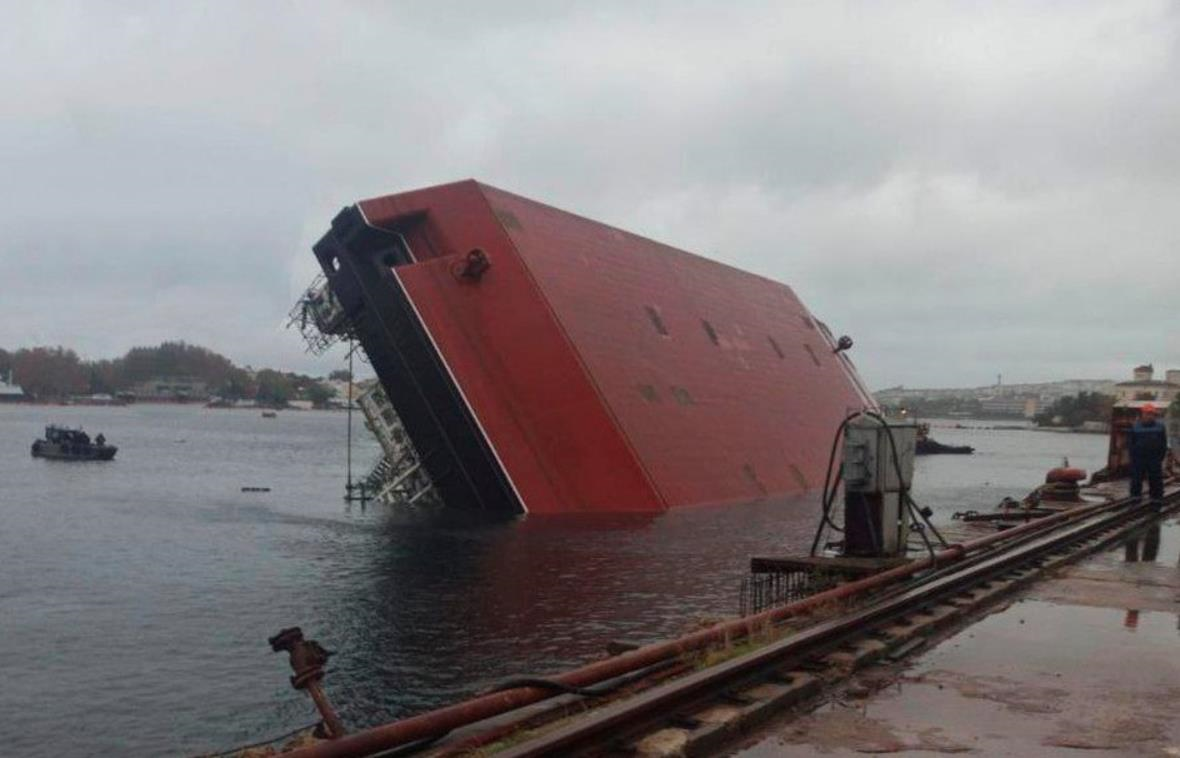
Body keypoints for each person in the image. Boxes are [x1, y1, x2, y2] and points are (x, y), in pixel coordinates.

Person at [1128, 403, 1168, 504]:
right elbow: (1131, 443)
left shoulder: (1160, 427)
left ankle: (1156, 498)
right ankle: (1135, 497)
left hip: (1154, 458)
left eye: (1152, 414)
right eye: (1147, 413)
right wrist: (1132, 456)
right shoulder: (1135, 427)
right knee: (1136, 478)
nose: (1149, 416)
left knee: (1155, 478)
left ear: (1154, 415)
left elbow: (1163, 443)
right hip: (1139, 458)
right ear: (1142, 414)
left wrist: (1161, 456)